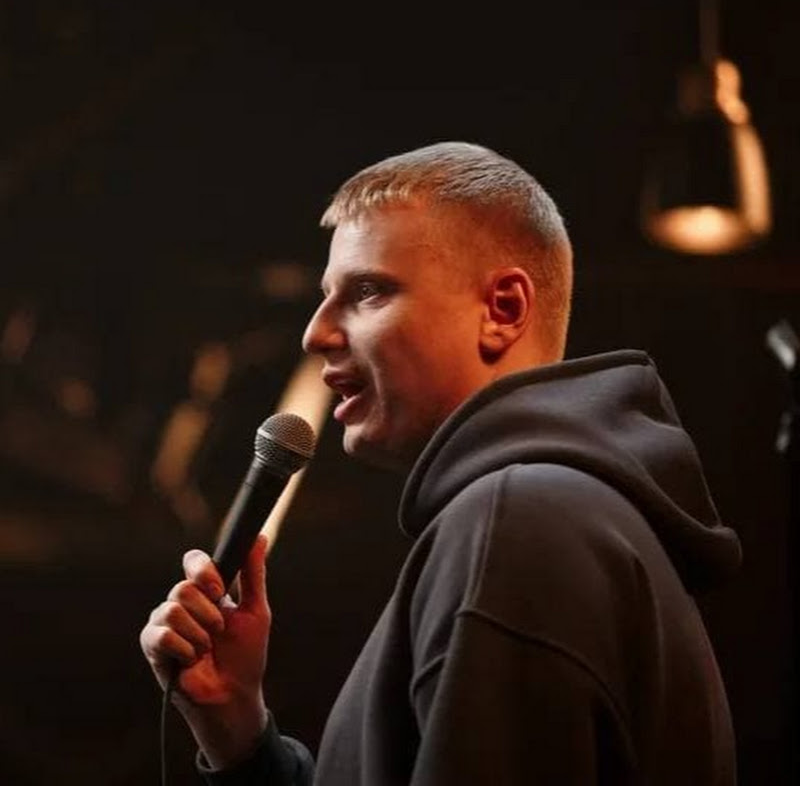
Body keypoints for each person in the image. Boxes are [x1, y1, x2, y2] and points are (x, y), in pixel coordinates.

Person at [140, 141, 742, 784]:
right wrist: (240, 735)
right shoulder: (560, 516)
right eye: (324, 296)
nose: (315, 333)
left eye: (367, 291)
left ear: (503, 311)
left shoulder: (515, 520)